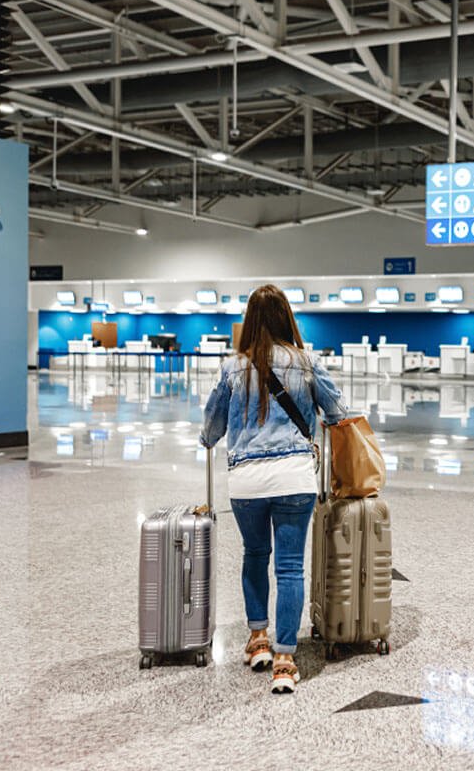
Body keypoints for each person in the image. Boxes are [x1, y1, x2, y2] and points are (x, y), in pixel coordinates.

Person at [200, 284, 346, 694]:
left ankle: (258, 638)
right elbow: (337, 412)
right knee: (289, 568)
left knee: (254, 555)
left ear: (249, 321)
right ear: (287, 318)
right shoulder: (307, 361)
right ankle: (285, 659)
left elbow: (211, 430)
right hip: (294, 477)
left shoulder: (233, 368)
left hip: (246, 482)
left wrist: (213, 438)